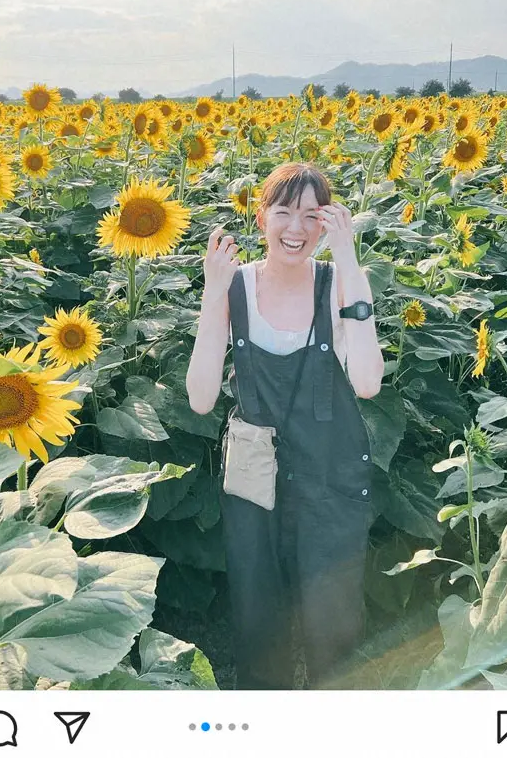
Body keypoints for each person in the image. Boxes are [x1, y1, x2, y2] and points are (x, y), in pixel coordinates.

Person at [186, 161, 384, 689]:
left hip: (330, 476)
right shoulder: (235, 288)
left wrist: (348, 262)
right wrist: (212, 295)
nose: (296, 229)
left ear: (327, 224)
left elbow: (366, 382)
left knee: (333, 620)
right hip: (256, 481)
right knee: (258, 618)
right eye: (283, 212)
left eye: (311, 215)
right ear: (261, 219)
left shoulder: (340, 285)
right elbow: (202, 399)